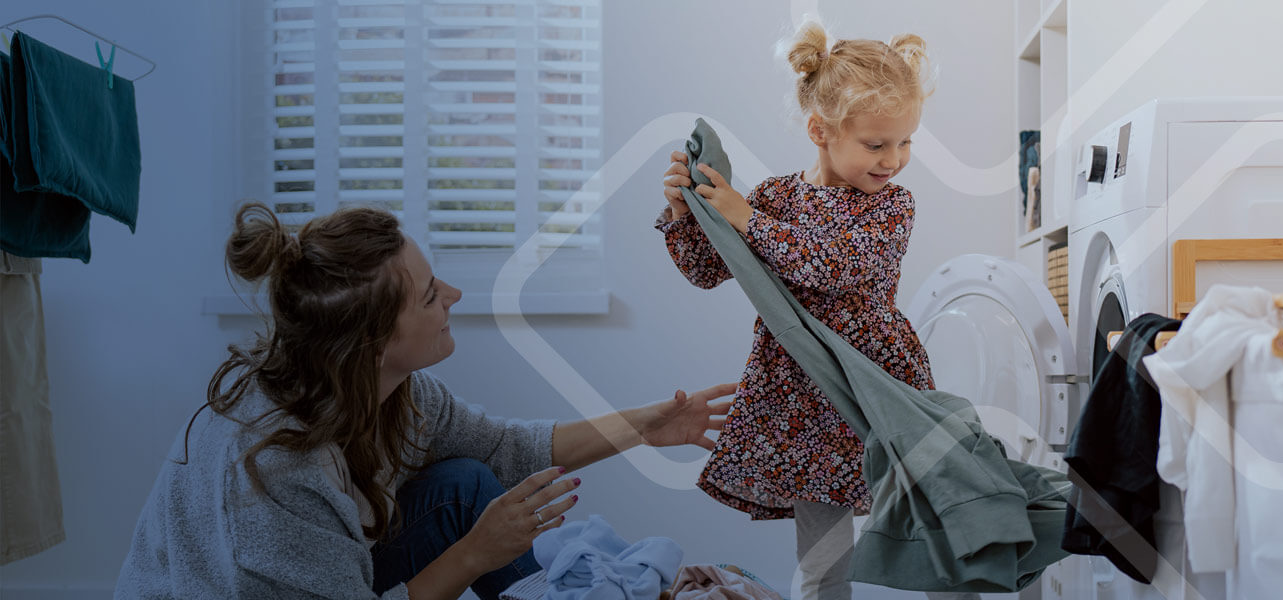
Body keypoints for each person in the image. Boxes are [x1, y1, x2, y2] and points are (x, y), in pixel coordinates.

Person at [116, 203, 737, 600]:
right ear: (371, 341)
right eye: (431, 295)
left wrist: (646, 427)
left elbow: (508, 447)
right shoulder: (275, 471)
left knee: (466, 483)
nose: (456, 296)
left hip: (331, 576)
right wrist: (473, 554)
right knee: (476, 509)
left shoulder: (392, 392)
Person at [656, 20, 938, 600]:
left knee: (935, 525)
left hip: (875, 387)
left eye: (905, 141)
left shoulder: (891, 207)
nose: (895, 160)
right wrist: (687, 214)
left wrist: (748, 220)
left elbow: (838, 269)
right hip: (803, 398)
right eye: (877, 144)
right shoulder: (774, 197)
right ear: (821, 130)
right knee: (823, 558)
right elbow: (709, 271)